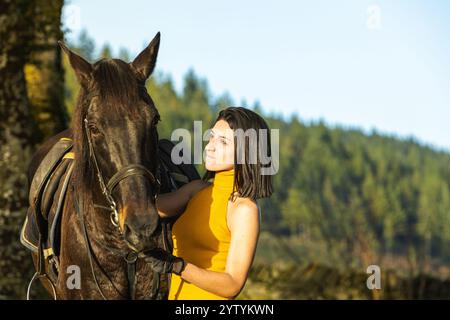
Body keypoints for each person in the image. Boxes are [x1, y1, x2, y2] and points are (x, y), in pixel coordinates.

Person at [140, 107, 274, 299]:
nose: (210, 146)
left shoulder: (244, 209)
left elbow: (232, 284)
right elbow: (146, 209)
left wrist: (178, 266)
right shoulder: (197, 189)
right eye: (211, 137)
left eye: (223, 142)